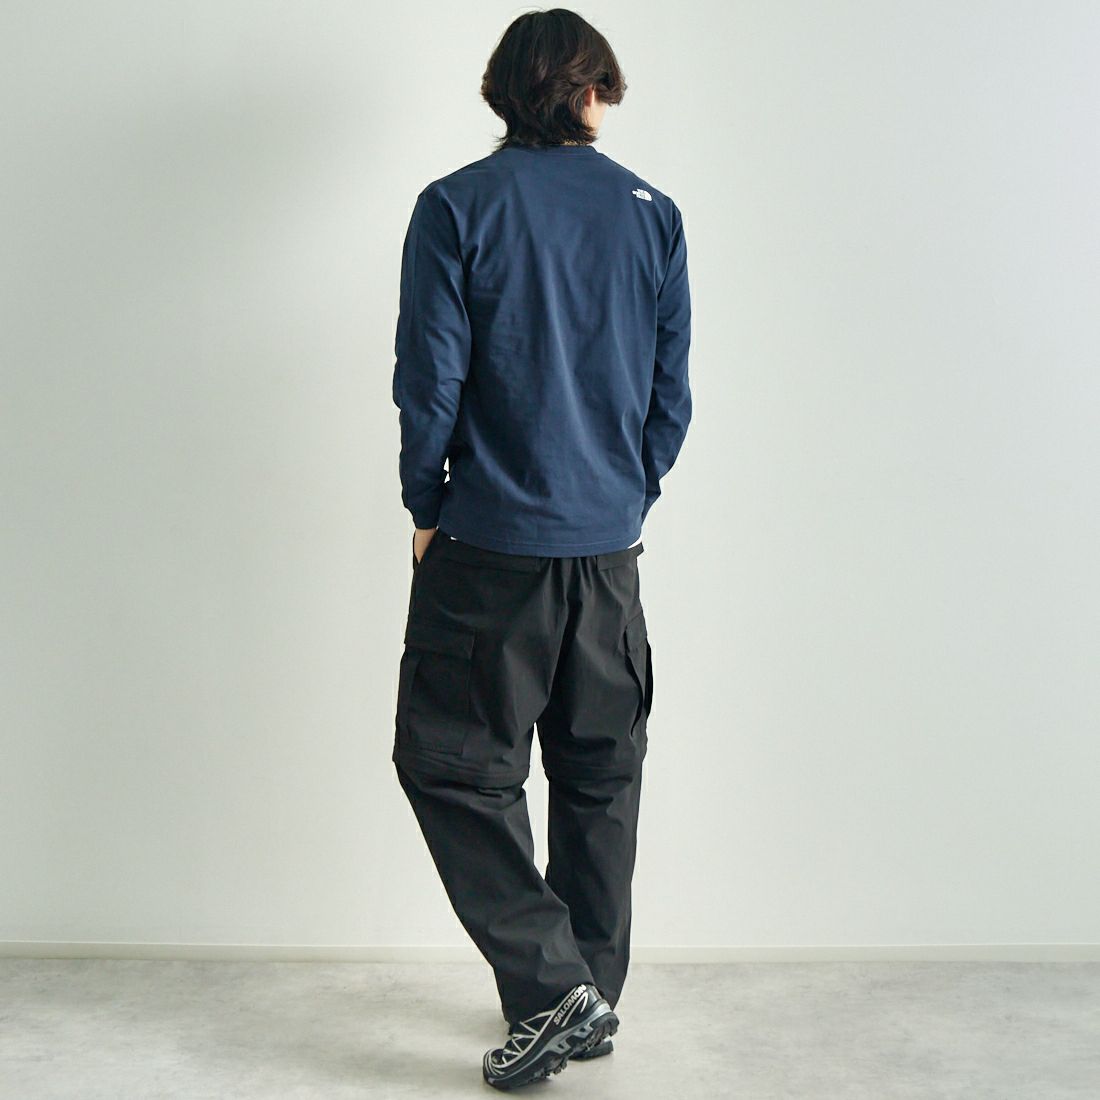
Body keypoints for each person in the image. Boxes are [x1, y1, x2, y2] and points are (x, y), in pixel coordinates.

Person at [390, 7, 691, 1090]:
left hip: (489, 546)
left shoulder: (455, 206)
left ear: (502, 92)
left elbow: (429, 377)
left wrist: (425, 502)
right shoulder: (653, 215)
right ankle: (584, 994)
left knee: (449, 762)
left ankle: (554, 987)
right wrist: (619, 498)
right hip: (608, 553)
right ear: (592, 93)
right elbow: (669, 396)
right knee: (599, 773)